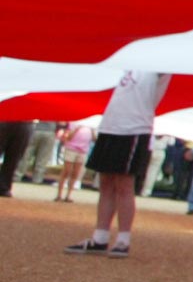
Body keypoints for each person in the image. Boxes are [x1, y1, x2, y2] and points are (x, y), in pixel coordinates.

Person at [63, 71, 170, 257]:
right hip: (110, 125)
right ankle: (100, 238)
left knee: (124, 184)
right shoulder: (127, 62)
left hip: (134, 128)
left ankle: (123, 240)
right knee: (105, 183)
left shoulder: (160, 65)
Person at [53, 119, 93, 201]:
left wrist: (92, 131)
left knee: (76, 173)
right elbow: (68, 137)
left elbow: (94, 139)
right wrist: (76, 129)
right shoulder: (73, 123)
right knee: (66, 171)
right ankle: (59, 194)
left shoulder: (90, 124)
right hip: (71, 149)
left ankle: (68, 195)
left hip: (83, 150)